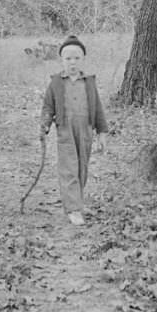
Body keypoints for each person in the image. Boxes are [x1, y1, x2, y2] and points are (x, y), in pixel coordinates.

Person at [40, 35, 108, 225]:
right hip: (65, 131)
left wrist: (102, 133)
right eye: (68, 58)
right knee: (69, 169)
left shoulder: (89, 82)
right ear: (62, 60)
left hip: (85, 130)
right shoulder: (56, 83)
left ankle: (77, 201)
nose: (72, 62)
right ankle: (73, 209)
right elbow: (48, 107)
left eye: (76, 58)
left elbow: (98, 109)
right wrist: (45, 124)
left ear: (83, 59)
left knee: (82, 168)